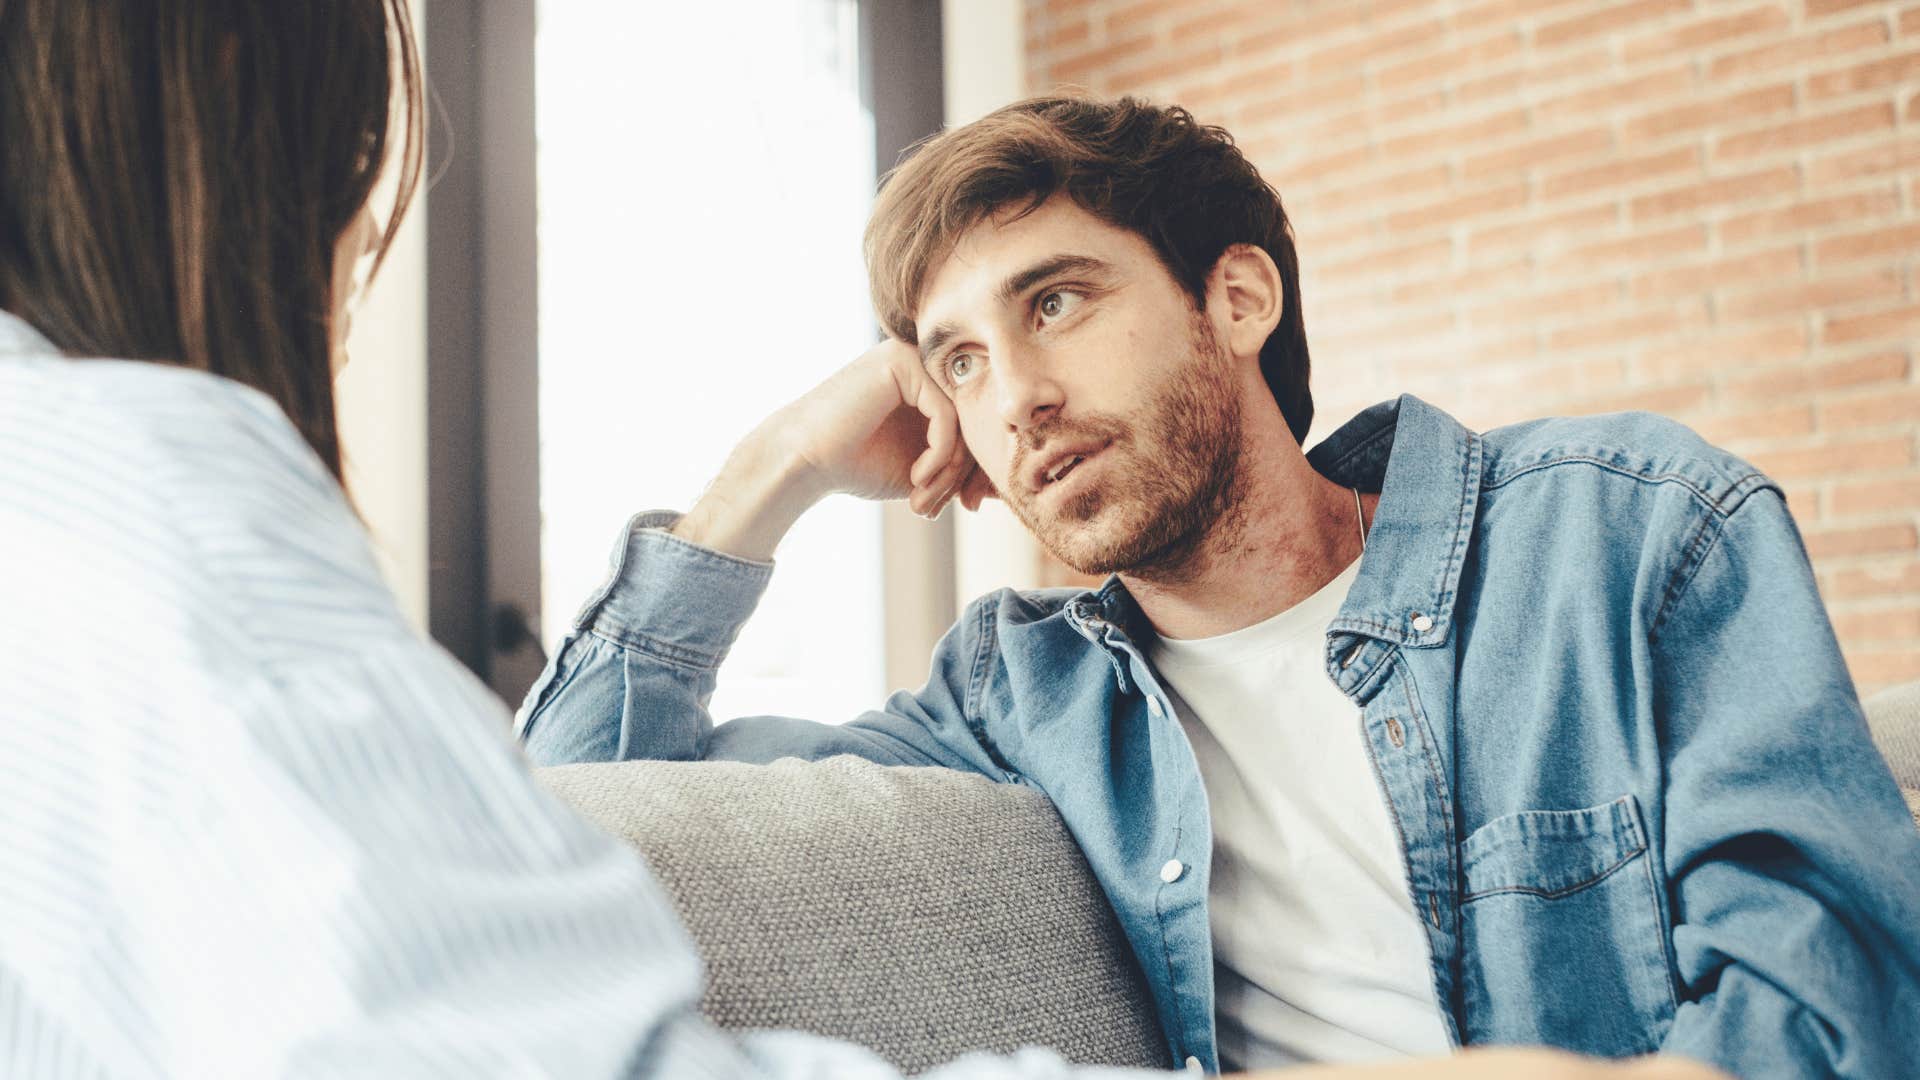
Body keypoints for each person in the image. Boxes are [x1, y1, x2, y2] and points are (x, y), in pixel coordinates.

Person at [520, 95, 1920, 1079]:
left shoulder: (1630, 536)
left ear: (1237, 301)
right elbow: (573, 818)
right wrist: (774, 470)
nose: (1018, 402)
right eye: (957, 361)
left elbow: (1836, 1019)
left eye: (1054, 301)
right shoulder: (1023, 691)